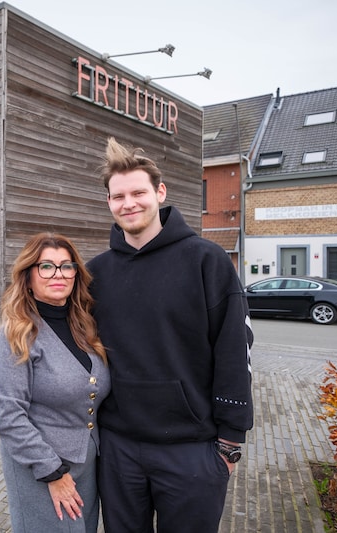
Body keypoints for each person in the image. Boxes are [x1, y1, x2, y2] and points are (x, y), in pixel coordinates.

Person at [87, 137, 254, 533]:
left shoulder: (207, 261)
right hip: (118, 448)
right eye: (118, 196)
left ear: (160, 193)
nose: (129, 203)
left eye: (138, 193)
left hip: (193, 449)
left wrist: (230, 442)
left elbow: (234, 349)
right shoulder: (96, 273)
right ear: (108, 202)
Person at [0, 232, 110, 532]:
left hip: (86, 466)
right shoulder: (17, 335)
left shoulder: (85, 327)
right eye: (46, 266)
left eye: (66, 266)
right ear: (28, 277)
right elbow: (9, 417)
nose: (58, 274)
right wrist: (52, 473)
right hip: (40, 468)